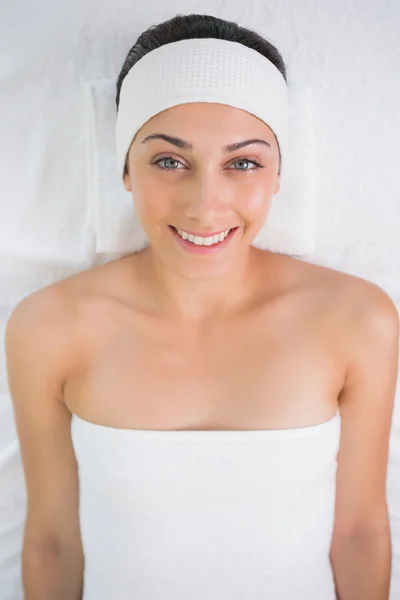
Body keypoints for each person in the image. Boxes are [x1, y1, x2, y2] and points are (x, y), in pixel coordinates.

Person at [4, 12, 399, 600]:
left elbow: (361, 533)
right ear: (125, 170)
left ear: (278, 172)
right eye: (169, 161)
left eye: (243, 163)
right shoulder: (49, 327)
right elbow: (54, 542)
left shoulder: (358, 320)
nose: (205, 206)